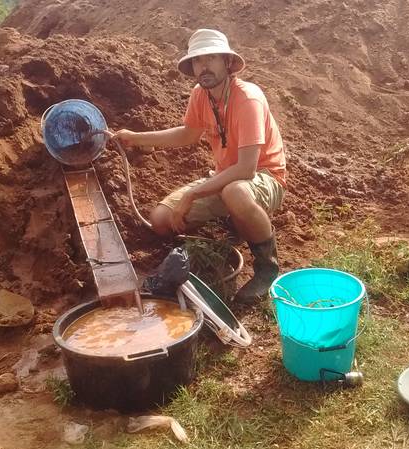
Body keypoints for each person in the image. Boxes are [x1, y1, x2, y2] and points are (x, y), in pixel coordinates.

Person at [111, 29, 286, 302]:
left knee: (235, 193)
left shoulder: (247, 98)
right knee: (161, 221)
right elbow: (187, 134)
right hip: (226, 177)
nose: (203, 66)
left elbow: (247, 169)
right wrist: (135, 138)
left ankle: (267, 269)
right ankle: (235, 224)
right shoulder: (200, 95)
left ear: (227, 62)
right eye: (197, 61)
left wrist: (193, 194)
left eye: (211, 58)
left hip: (264, 177)